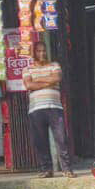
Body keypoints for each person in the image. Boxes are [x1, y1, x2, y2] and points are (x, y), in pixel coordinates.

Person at [22, 42, 74, 177]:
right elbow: (28, 84)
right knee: (40, 141)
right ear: (34, 53)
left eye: (44, 51)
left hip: (55, 107)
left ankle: (66, 169)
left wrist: (37, 81)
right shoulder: (27, 69)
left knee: (61, 138)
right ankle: (46, 169)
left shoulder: (54, 65)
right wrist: (48, 81)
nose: (42, 54)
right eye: (39, 51)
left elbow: (57, 77)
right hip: (36, 109)